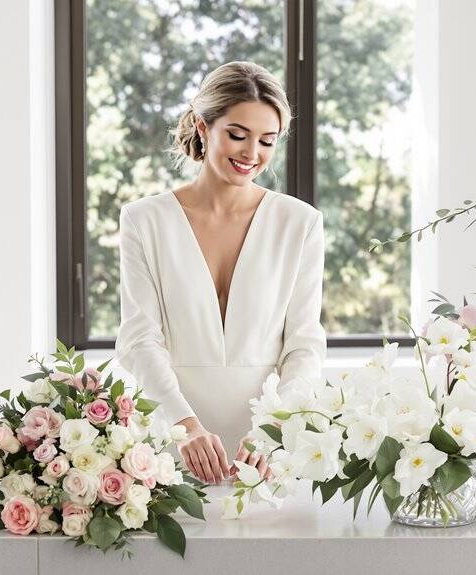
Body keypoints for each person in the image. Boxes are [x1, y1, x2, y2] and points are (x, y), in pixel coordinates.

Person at [116, 61, 326, 484]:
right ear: (202, 125)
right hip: (169, 450)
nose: (252, 154)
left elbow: (304, 346)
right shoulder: (144, 220)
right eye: (237, 135)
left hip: (267, 453)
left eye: (267, 141)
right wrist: (184, 426)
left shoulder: (300, 223)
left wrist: (274, 426)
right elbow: (140, 339)